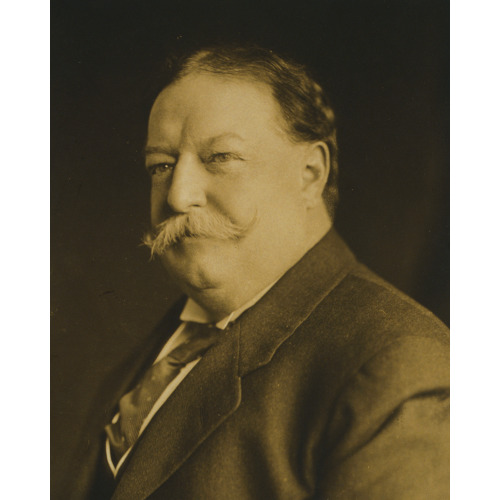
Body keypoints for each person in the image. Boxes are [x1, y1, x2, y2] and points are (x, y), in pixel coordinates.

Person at [63, 45, 449, 499]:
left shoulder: (397, 364)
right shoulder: (162, 349)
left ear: (311, 173)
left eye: (220, 157)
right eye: (161, 165)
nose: (178, 195)